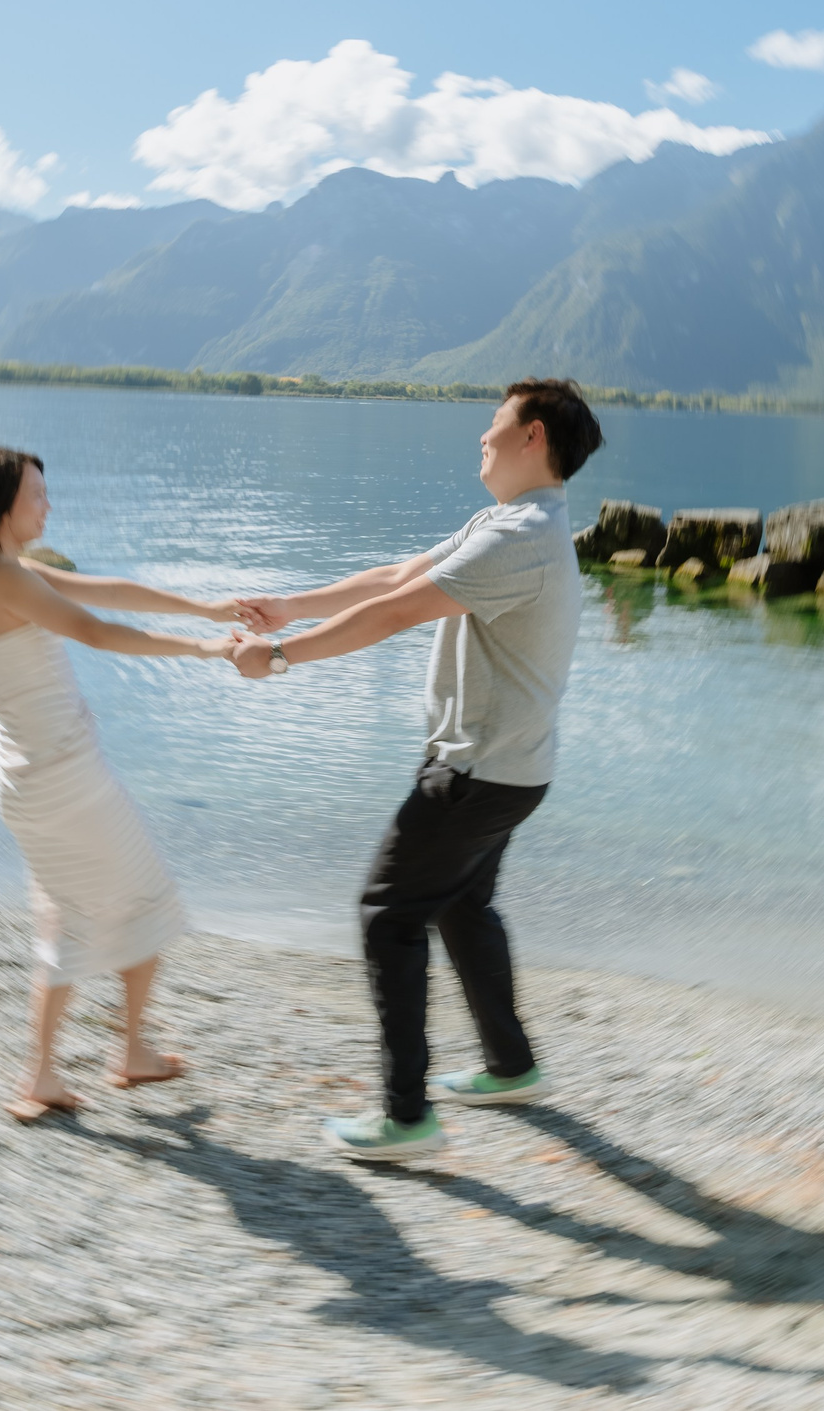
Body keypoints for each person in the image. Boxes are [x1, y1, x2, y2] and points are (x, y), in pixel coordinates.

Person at [233, 379, 604, 1160]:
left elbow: (399, 612)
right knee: (463, 905)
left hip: (475, 773)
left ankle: (407, 1117)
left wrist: (281, 657)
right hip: (516, 770)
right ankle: (511, 1066)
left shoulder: (521, 536)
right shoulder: (511, 521)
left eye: (495, 423)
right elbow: (403, 575)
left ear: (533, 436)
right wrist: (291, 605)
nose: (482, 436)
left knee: (388, 913)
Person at [0, 445, 244, 1122]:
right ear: (2, 507)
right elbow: (96, 631)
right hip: (60, 777)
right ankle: (102, 1058)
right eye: (37, 495)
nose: (48, 506)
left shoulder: (4, 572)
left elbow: (106, 591)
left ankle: (67, 1066)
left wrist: (206, 608)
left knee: (80, 915)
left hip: (36, 775)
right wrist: (207, 649)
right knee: (142, 901)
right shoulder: (2, 578)